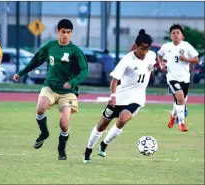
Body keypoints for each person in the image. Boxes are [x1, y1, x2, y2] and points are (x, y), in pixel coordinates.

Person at [13, 19, 89, 160]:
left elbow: (85, 70)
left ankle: (61, 147)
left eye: (68, 32)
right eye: (63, 32)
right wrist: (21, 73)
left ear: (71, 33)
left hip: (68, 92)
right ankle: (44, 133)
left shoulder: (76, 51)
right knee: (40, 108)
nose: (65, 35)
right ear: (57, 31)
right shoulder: (50, 46)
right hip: (50, 87)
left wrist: (72, 82)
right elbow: (36, 61)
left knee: (64, 124)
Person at [83, 29, 156, 163]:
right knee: (102, 126)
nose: (145, 52)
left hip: (137, 98)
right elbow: (114, 80)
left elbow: (152, 66)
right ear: (136, 46)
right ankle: (88, 149)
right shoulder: (127, 60)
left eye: (147, 49)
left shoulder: (152, 55)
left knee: (123, 119)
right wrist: (112, 96)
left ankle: (104, 144)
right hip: (120, 97)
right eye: (142, 49)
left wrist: (161, 67)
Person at [157, 24, 199, 132]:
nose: (175, 35)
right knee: (180, 97)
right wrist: (161, 64)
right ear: (170, 36)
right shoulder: (166, 47)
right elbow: (159, 55)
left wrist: (186, 59)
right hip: (172, 77)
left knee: (180, 101)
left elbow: (196, 60)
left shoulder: (187, 46)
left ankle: (172, 115)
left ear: (182, 36)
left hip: (185, 78)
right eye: (173, 33)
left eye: (177, 33)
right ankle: (182, 124)